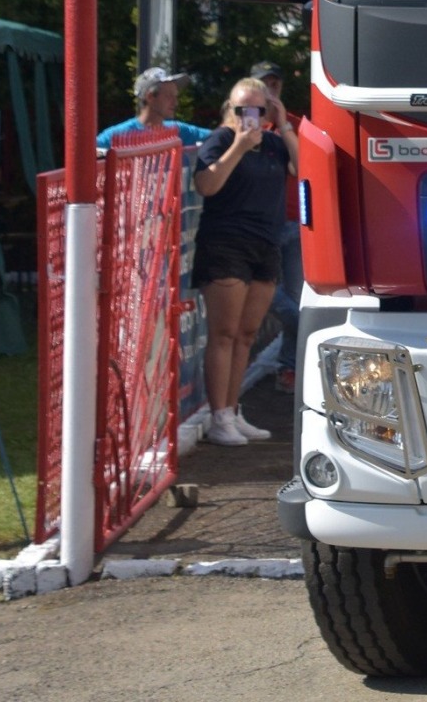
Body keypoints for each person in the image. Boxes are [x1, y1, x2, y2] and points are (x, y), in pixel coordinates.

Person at [192, 77, 299, 445]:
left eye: (259, 109)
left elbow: (303, 170)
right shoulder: (221, 140)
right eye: (244, 110)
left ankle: (232, 411)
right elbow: (206, 185)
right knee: (223, 333)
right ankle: (218, 414)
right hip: (225, 244)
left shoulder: (273, 143)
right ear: (231, 109)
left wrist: (283, 125)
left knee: (247, 334)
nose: (251, 117)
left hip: (264, 244)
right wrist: (238, 145)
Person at [250, 60, 303, 394]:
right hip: (261, 225)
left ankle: (288, 367)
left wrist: (282, 124)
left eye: (276, 85)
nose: (271, 91)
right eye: (264, 85)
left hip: (294, 221)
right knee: (279, 301)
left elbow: (301, 168)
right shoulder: (245, 126)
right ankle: (286, 362)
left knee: (295, 297)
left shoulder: (293, 125)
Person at [97, 67, 212, 149]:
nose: (175, 102)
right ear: (150, 97)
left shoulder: (179, 130)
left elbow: (218, 136)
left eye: (176, 96)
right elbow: (89, 152)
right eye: (169, 96)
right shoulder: (117, 135)